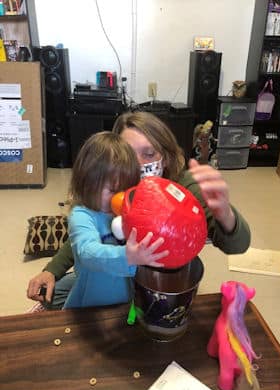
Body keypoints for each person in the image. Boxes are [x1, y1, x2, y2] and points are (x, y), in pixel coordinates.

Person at [27, 112, 251, 310]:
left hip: (154, 282)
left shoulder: (183, 186)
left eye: (149, 153)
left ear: (166, 158)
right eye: (128, 153)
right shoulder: (116, 182)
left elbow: (238, 244)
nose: (137, 164)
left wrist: (225, 214)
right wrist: (52, 270)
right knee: (55, 296)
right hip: (113, 272)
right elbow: (89, 232)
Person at [33, 131, 168, 310]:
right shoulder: (81, 215)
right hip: (89, 304)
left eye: (126, 189)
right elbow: (87, 252)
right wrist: (127, 256)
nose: (120, 196)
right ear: (88, 183)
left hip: (126, 298)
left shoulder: (124, 211)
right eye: (113, 190)